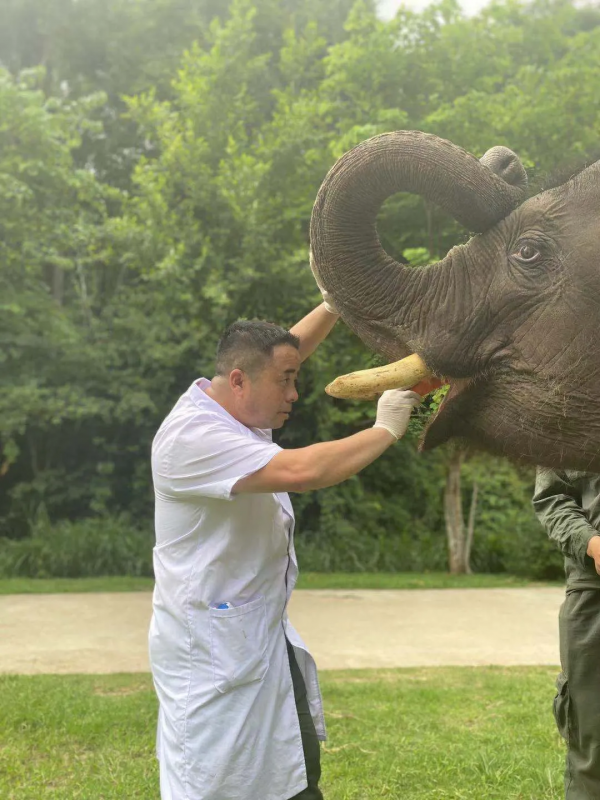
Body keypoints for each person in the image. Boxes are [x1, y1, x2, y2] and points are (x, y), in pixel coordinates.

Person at [149, 296, 422, 800]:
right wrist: (385, 429)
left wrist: (335, 303)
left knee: (294, 777)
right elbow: (304, 471)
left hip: (259, 639)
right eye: (287, 382)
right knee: (220, 785)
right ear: (238, 381)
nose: (295, 393)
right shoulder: (192, 438)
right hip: (211, 658)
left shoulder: (235, 407)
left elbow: (277, 358)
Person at [532, 469, 600, 799]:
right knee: (592, 737)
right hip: (594, 592)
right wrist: (592, 544)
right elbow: (552, 497)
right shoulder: (565, 417)